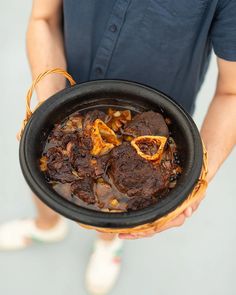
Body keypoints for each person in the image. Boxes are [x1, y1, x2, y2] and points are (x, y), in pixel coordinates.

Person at [1, 0, 236, 294]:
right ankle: (46, 226)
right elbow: (44, 20)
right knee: (44, 170)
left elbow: (232, 91)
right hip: (65, 84)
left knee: (121, 200)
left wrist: (198, 180)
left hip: (157, 122)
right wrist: (53, 113)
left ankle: (108, 245)